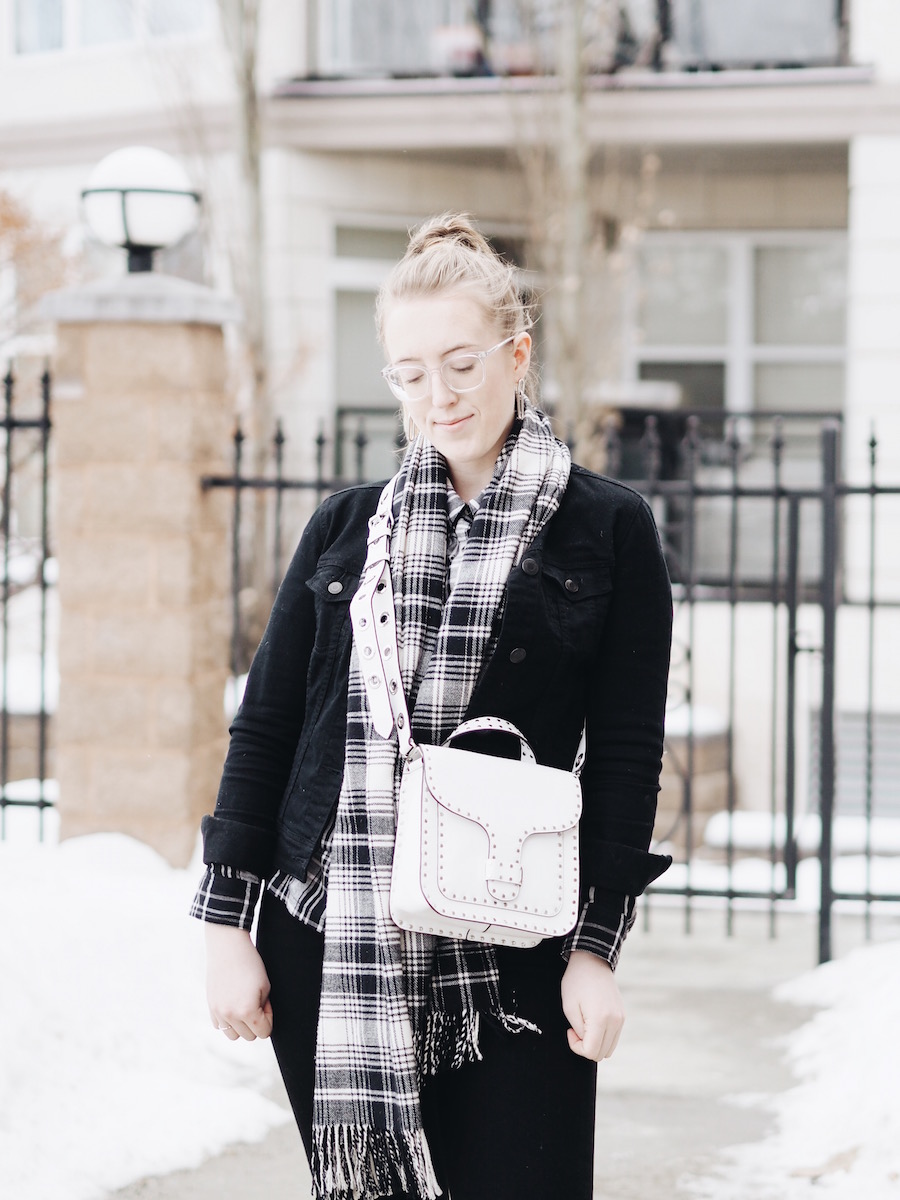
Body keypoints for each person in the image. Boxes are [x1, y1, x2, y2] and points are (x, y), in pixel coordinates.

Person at [191, 212, 673, 1200]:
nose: (437, 396)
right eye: (409, 373)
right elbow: (270, 726)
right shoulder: (345, 525)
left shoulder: (608, 529)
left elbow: (626, 758)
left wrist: (598, 949)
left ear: (516, 354)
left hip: (516, 944)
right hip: (330, 929)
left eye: (460, 363)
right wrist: (224, 926)